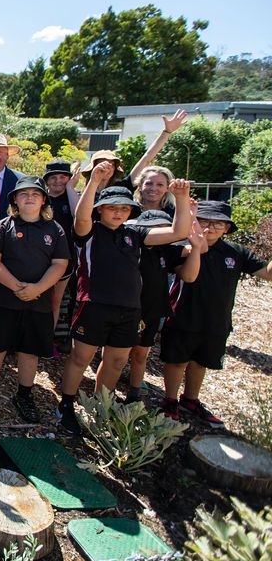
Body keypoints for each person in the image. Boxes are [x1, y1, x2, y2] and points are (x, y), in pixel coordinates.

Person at [55, 165, 192, 435]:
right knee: (81, 357)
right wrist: (94, 181)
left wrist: (183, 199)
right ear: (101, 209)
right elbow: (80, 216)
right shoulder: (89, 232)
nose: (118, 212)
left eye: (124, 208)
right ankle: (67, 404)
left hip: (129, 308)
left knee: (117, 361)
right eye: (112, 207)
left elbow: (178, 232)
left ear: (131, 212)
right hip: (93, 304)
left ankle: (100, 405)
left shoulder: (136, 235)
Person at [159, 200, 272, 427]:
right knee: (177, 361)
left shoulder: (236, 252)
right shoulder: (182, 247)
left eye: (218, 223)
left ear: (227, 228)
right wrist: (197, 247)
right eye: (204, 221)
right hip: (183, 316)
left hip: (216, 321)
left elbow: (267, 273)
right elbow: (185, 276)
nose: (210, 227)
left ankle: (190, 399)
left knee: (201, 362)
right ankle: (170, 400)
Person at [0, 176, 69, 423]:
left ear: (43, 200)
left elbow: (60, 264)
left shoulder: (55, 230)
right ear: (15, 201)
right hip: (4, 301)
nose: (29, 197)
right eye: (23, 194)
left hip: (38, 303)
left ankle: (24, 395)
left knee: (30, 352)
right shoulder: (3, 226)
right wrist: (16, 286)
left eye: (35, 194)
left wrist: (38, 288)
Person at [124, 209, 204, 404]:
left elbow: (200, 250)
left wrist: (192, 217)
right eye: (154, 228)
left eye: (163, 227)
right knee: (117, 354)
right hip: (125, 309)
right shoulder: (129, 247)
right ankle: (105, 395)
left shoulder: (166, 251)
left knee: (141, 354)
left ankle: (134, 394)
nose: (160, 232)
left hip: (152, 310)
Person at [42, 160, 81, 332]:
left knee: (55, 300)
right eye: (53, 177)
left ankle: (48, 336)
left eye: (63, 177)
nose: (58, 181)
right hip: (40, 256)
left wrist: (71, 188)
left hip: (64, 257)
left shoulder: (73, 197)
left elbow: (77, 215)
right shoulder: (41, 198)